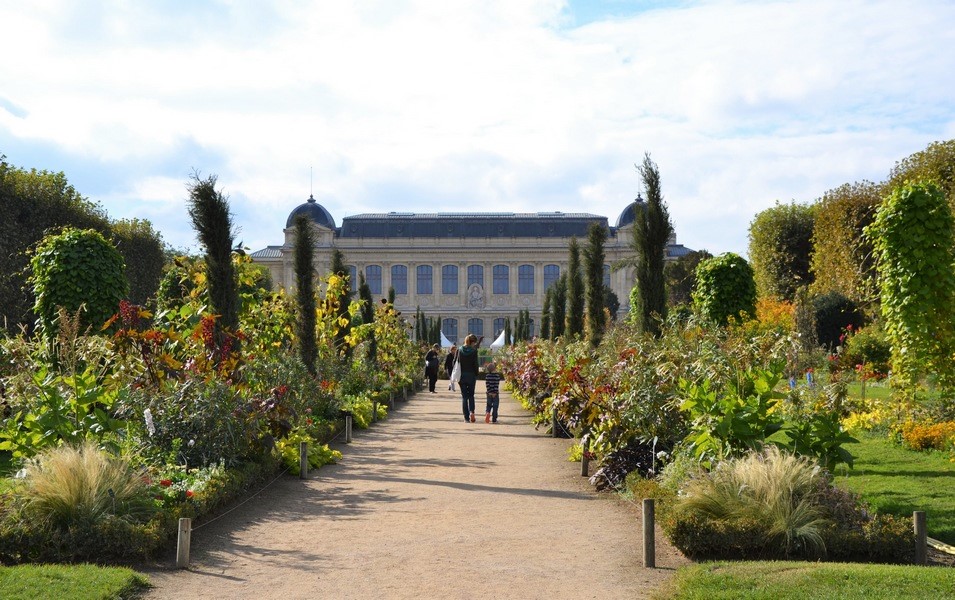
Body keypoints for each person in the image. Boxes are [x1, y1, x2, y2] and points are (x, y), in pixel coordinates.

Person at [457, 333, 483, 422]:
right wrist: (477, 374)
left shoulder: (459, 350)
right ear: (472, 342)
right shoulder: (473, 351)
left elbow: (454, 362)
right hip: (471, 375)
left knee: (464, 397)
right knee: (471, 395)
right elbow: (475, 364)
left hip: (461, 375)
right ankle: (472, 411)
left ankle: (466, 418)